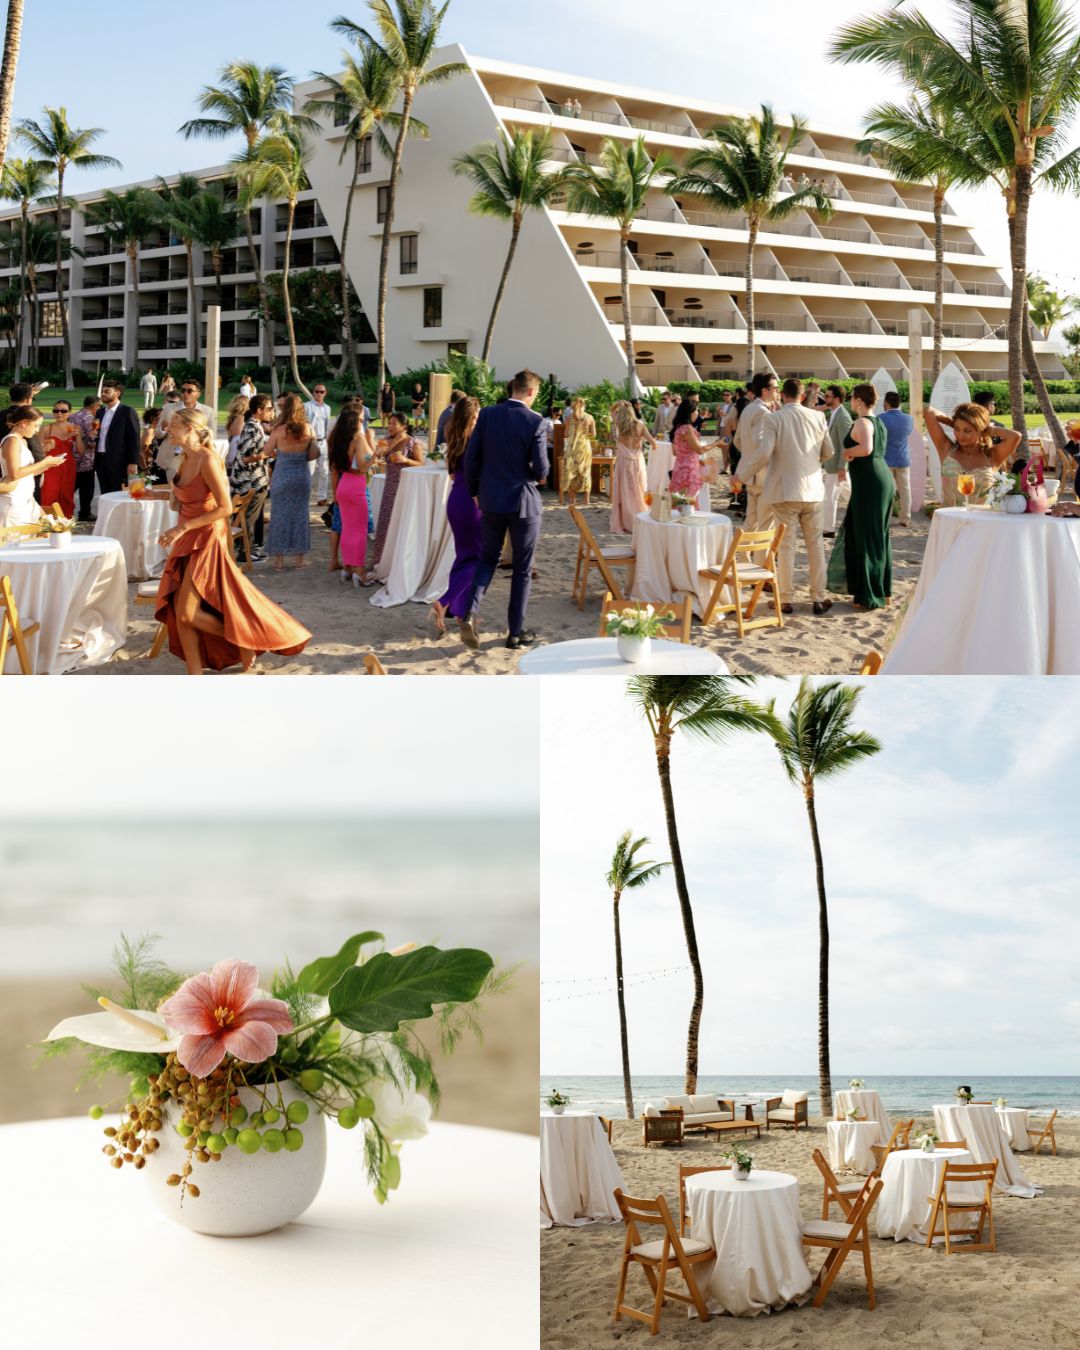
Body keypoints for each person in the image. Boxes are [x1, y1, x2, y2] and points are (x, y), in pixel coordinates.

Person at [154, 407, 310, 674]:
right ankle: (195, 673)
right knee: (180, 612)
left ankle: (245, 640)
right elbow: (186, 496)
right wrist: (150, 494)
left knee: (187, 612)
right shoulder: (182, 458)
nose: (168, 427)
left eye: (175, 424)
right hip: (186, 536)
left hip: (204, 537)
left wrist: (183, 529)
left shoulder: (207, 459)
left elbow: (225, 507)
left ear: (190, 428)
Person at [458, 369, 548, 651]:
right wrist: (533, 475)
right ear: (531, 392)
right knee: (521, 569)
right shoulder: (536, 421)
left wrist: (474, 491)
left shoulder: (487, 415)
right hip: (523, 501)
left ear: (513, 388)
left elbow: (471, 457)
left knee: (488, 559)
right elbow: (543, 468)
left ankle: (470, 611)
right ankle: (515, 634)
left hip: (490, 499)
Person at [734, 378, 832, 615]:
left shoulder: (774, 418)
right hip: (813, 490)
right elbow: (829, 451)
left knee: (786, 546)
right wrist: (811, 463)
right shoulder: (818, 417)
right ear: (801, 395)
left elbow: (764, 453)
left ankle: (786, 599)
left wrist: (741, 475)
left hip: (784, 490)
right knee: (815, 545)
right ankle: (818, 597)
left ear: (784, 395)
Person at [825, 383, 895, 611]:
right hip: (876, 479)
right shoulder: (879, 421)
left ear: (859, 400)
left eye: (853, 398)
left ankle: (869, 594)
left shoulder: (864, 421)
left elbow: (866, 448)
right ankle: (881, 592)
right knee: (876, 535)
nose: (851, 401)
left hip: (870, 483)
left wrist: (846, 452)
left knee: (867, 536)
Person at [431, 395, 482, 637]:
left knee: (463, 557)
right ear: (472, 416)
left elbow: (452, 475)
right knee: (479, 560)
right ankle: (447, 600)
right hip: (473, 502)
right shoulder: (474, 441)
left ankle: (461, 611)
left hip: (455, 499)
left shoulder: (454, 439)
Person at [924, 402, 1020, 505]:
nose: (961, 435)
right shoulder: (946, 449)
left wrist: (990, 429)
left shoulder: (992, 456)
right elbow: (928, 411)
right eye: (957, 429)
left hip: (983, 519)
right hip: (952, 518)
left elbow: (1015, 436)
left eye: (967, 431)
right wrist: (952, 422)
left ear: (980, 431)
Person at [265, 393, 317, 570]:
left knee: (279, 516)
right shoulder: (308, 429)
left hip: (282, 475)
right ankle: (299, 559)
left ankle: (279, 560)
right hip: (301, 475)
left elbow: (266, 451)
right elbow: (313, 455)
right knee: (300, 516)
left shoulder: (278, 430)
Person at [327, 403, 376, 589]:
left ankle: (347, 568)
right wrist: (376, 455)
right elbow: (363, 467)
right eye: (361, 419)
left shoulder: (338, 439)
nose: (363, 422)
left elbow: (335, 467)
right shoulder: (358, 438)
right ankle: (360, 572)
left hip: (342, 485)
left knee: (347, 529)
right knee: (360, 531)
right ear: (354, 422)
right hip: (356, 486)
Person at [372, 411, 425, 568]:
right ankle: (382, 560)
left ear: (404, 426)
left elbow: (421, 463)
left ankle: (400, 563)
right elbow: (378, 460)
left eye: (394, 423)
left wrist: (406, 459)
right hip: (390, 486)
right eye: (389, 423)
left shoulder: (413, 442)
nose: (390, 426)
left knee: (402, 522)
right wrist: (379, 453)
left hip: (405, 487)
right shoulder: (385, 441)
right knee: (386, 521)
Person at [228, 393, 276, 563]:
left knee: (249, 517)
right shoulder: (251, 427)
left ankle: (246, 550)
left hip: (254, 479)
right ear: (259, 410)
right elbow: (244, 457)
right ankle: (244, 552)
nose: (272, 412)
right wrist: (266, 454)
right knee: (248, 517)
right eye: (269, 408)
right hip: (250, 481)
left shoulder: (256, 426)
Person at [0, 405, 63, 527]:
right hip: (14, 502)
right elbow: (14, 474)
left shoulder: (21, 440)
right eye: (36, 425)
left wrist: (48, 465)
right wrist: (43, 462)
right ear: (24, 423)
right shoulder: (12, 441)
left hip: (26, 498)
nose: (37, 430)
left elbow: (26, 474)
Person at [733, 372, 778, 527]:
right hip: (763, 473)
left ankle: (744, 552)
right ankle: (757, 552)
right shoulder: (763, 412)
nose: (777, 391)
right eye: (775, 388)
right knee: (765, 523)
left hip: (750, 473)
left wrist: (748, 455)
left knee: (751, 520)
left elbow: (737, 440)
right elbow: (761, 444)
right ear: (765, 390)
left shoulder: (748, 408)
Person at [154, 378, 216, 481]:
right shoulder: (168, 408)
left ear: (198, 394)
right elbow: (158, 434)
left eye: (189, 391)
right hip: (172, 456)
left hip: (195, 457)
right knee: (173, 489)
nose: (185, 393)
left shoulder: (207, 411)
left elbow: (211, 435)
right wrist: (163, 429)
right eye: (183, 390)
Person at [610, 399, 653, 533]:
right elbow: (652, 442)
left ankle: (625, 521)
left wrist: (618, 403)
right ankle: (639, 516)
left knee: (624, 490)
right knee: (638, 489)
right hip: (637, 462)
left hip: (623, 462)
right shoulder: (640, 425)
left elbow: (611, 410)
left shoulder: (619, 424)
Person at [669, 397, 722, 503]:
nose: (697, 413)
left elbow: (675, 452)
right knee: (688, 503)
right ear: (690, 412)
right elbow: (700, 450)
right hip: (689, 470)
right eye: (696, 410)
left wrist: (695, 459)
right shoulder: (687, 428)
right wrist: (717, 443)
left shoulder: (678, 427)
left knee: (678, 503)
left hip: (679, 467)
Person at [95, 379, 142, 494]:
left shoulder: (127, 411)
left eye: (107, 391)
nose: (103, 394)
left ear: (117, 393)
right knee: (105, 492)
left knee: (119, 493)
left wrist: (133, 462)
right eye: (102, 391)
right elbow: (100, 435)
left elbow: (134, 438)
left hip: (119, 461)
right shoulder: (99, 412)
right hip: (100, 459)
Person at [40, 399, 82, 519]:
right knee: (48, 494)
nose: (59, 413)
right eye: (56, 410)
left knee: (67, 495)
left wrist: (78, 437)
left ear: (69, 413)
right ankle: (47, 524)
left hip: (68, 467)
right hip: (50, 467)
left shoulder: (75, 428)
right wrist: (45, 446)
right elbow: (37, 452)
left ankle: (64, 523)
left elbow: (81, 451)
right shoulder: (46, 429)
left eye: (63, 411)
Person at [878, 391, 914, 527]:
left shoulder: (880, 418)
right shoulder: (909, 419)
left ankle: (885, 518)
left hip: (886, 460)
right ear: (900, 403)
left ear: (886, 403)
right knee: (905, 490)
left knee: (886, 490)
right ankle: (905, 518)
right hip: (903, 458)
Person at [821, 384, 852, 538]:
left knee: (830, 496)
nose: (825, 399)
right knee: (850, 494)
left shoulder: (843, 416)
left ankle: (828, 529)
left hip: (836, 465)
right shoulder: (834, 413)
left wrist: (842, 466)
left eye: (828, 396)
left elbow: (846, 443)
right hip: (833, 464)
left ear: (837, 399)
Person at [71, 395, 102, 520]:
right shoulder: (90, 419)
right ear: (94, 406)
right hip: (86, 457)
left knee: (73, 484)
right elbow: (91, 440)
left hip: (72, 454)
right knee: (87, 488)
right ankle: (85, 512)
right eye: (99, 406)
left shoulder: (73, 415)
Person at [562, 397, 595, 507]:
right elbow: (593, 434)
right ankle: (586, 500)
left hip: (572, 448)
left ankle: (572, 500)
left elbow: (566, 435)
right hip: (585, 447)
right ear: (584, 405)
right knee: (586, 472)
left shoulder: (569, 418)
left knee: (571, 472)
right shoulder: (590, 417)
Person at [304, 382, 333, 506]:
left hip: (323, 441)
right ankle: (305, 497)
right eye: (317, 391)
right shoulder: (307, 406)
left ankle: (322, 497)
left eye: (322, 391)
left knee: (324, 471)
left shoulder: (328, 408)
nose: (319, 394)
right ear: (313, 392)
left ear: (325, 393)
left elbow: (327, 426)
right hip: (310, 442)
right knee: (309, 471)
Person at [139, 408, 162, 478]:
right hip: (146, 468)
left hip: (150, 466)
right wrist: (145, 469)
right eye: (162, 416)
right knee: (147, 487)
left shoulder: (155, 431)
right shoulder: (150, 432)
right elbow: (141, 452)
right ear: (154, 420)